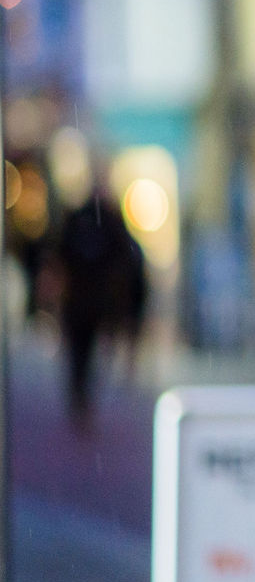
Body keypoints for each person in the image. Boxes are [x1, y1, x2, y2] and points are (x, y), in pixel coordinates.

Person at [54, 168, 148, 431]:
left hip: (89, 302)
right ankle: (80, 396)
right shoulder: (97, 220)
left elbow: (125, 263)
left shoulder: (102, 221)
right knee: (81, 352)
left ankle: (81, 396)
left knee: (84, 352)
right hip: (84, 302)